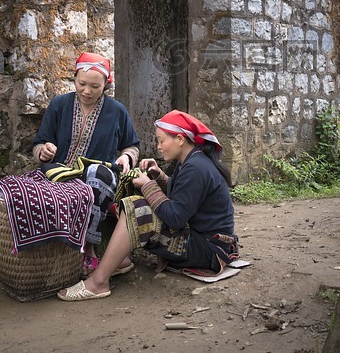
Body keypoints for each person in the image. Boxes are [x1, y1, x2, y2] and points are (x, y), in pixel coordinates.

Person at [57, 110, 237, 301]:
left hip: (209, 249)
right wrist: (159, 176)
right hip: (202, 241)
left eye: (161, 141)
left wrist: (148, 185)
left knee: (138, 209)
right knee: (135, 201)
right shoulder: (191, 160)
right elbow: (183, 196)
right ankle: (119, 261)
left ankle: (99, 282)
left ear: (180, 139)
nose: (158, 147)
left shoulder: (195, 167)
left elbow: (176, 218)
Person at [33, 51, 140, 275]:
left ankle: (88, 248)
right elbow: (39, 143)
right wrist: (43, 151)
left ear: (105, 86)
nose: (87, 91)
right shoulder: (59, 105)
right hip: (60, 171)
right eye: (82, 84)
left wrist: (127, 157)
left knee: (95, 176)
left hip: (101, 175)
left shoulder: (117, 111)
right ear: (74, 79)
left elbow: (132, 146)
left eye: (95, 86)